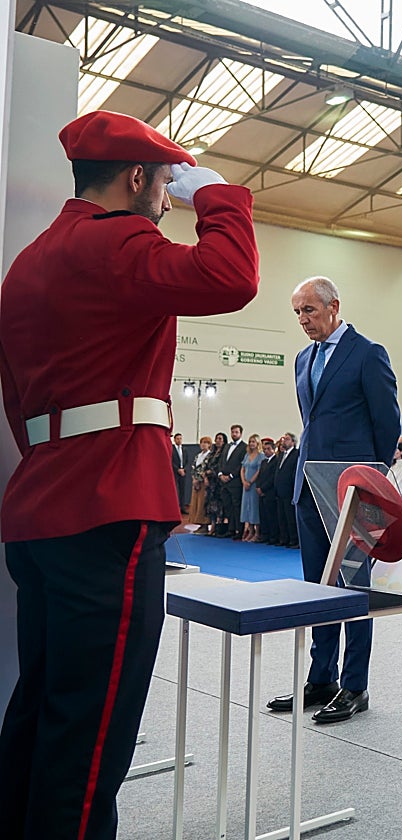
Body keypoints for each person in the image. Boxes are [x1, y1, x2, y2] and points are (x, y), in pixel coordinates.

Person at [0, 110, 257, 840]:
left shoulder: (31, 261)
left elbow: (17, 399)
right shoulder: (117, 241)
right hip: (108, 505)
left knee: (40, 714)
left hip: (41, 505)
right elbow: (231, 276)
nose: (169, 197)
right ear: (137, 177)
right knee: (90, 743)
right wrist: (218, 197)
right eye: (166, 182)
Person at [266, 276, 401, 724]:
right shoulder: (303, 358)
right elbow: (314, 422)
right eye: (297, 312)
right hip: (309, 488)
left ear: (334, 306)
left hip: (354, 492)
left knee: (355, 588)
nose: (303, 320)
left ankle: (354, 685)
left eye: (309, 310)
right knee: (317, 588)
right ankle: (320, 677)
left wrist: (369, 482)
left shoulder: (368, 354)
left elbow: (388, 424)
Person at [216, 424, 246, 538]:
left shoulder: (244, 447)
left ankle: (239, 530)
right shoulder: (227, 446)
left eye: (236, 432)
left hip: (235, 481)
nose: (234, 434)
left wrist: (231, 476)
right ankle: (231, 529)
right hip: (224, 482)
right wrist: (220, 474)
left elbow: (241, 465)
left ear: (241, 433)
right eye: (232, 432)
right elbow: (221, 461)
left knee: (236, 506)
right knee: (228, 506)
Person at [274, 432, 300, 548]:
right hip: (279, 490)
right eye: (283, 439)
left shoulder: (296, 454)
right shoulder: (281, 455)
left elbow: (294, 474)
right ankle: (284, 538)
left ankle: (294, 540)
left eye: (287, 439)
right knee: (281, 517)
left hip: (289, 490)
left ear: (293, 442)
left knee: (290, 517)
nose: (284, 441)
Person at [239, 433, 265, 542]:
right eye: (250, 442)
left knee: (254, 508)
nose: (251, 444)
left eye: (253, 442)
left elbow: (259, 471)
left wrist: (250, 482)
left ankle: (257, 533)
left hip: (253, 485)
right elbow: (242, 469)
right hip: (246, 485)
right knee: (247, 507)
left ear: (258, 443)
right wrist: (244, 481)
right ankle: (250, 531)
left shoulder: (261, 456)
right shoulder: (247, 455)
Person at [257, 437, 280, 545]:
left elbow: (272, 478)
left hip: (269, 492)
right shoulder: (263, 462)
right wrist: (258, 487)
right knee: (263, 515)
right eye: (264, 449)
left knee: (271, 516)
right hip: (261, 492)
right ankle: (264, 535)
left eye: (268, 449)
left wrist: (263, 488)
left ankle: (273, 537)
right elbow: (260, 476)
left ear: (273, 449)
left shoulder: (276, 461)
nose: (266, 451)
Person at [204, 432, 228, 532]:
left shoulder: (224, 453)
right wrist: (205, 475)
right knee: (210, 504)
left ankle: (219, 526)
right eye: (217, 438)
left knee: (219, 505)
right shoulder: (212, 453)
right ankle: (212, 525)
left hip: (218, 482)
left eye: (220, 439)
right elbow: (206, 465)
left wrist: (211, 472)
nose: (218, 441)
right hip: (210, 482)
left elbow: (219, 466)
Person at [188, 436, 214, 526]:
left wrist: (200, 479)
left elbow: (208, 469)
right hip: (196, 483)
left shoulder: (210, 456)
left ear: (209, 445)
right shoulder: (198, 455)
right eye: (202, 443)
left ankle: (204, 522)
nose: (203, 444)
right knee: (196, 502)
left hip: (204, 482)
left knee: (202, 502)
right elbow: (193, 468)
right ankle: (197, 521)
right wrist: (194, 479)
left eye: (205, 443)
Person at [172, 432, 188, 513]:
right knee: (175, 490)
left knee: (182, 490)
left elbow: (187, 461)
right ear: (174, 440)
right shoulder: (171, 449)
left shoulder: (184, 449)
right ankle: (174, 507)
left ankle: (182, 507)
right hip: (175, 472)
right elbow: (170, 461)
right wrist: (177, 469)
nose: (179, 440)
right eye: (177, 439)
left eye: (180, 438)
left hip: (183, 472)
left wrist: (184, 469)